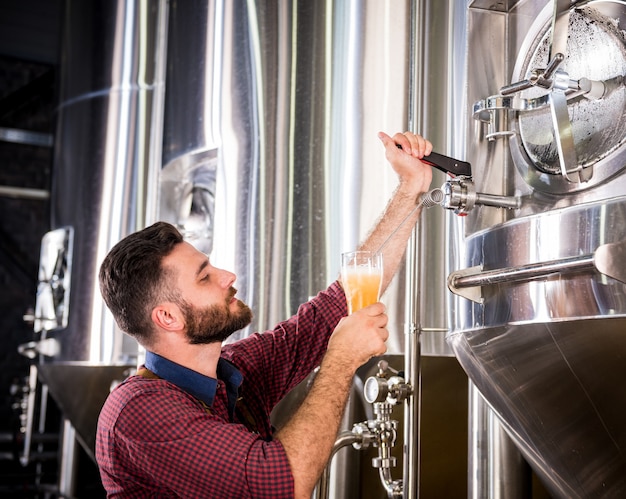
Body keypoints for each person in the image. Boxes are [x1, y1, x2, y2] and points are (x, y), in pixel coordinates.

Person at [95, 131, 433, 498]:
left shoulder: (232, 372)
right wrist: (341, 361)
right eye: (205, 277)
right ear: (168, 317)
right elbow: (283, 486)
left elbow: (337, 307)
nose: (228, 276)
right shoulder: (139, 413)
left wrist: (410, 188)